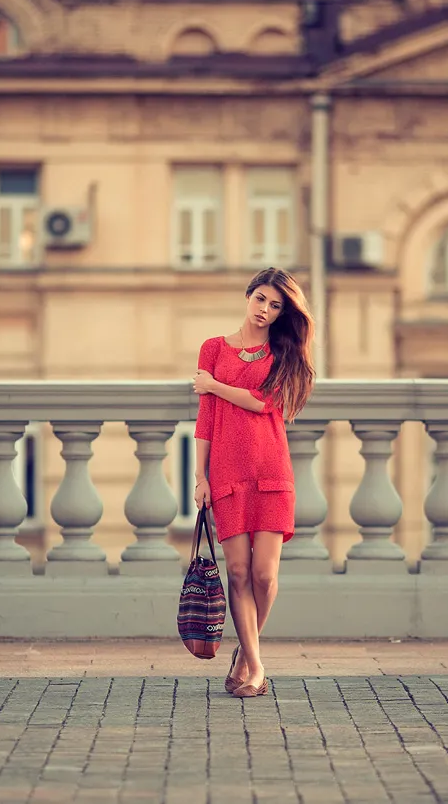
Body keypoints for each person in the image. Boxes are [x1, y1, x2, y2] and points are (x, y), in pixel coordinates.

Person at [192, 267, 316, 699]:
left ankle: (245, 654)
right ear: (249, 295)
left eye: (276, 305)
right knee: (239, 572)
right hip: (226, 471)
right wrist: (199, 476)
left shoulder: (283, 356)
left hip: (271, 471)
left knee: (264, 575)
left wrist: (214, 384)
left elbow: (261, 403)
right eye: (261, 298)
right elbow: (205, 418)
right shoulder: (213, 348)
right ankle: (257, 667)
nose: (265, 310)